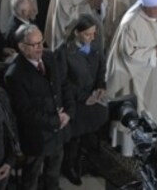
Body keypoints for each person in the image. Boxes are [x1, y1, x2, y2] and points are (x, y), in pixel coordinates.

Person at [106, 0, 157, 154]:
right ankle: (132, 147)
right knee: (138, 110)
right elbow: (128, 54)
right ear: (145, 5)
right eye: (156, 9)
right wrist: (153, 52)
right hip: (135, 74)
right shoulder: (131, 22)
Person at [5, 24, 74, 190]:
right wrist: (54, 120)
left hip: (59, 130)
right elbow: (24, 112)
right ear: (22, 47)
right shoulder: (15, 74)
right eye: (34, 45)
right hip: (37, 137)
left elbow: (63, 85)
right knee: (32, 177)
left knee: (53, 172)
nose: (39, 48)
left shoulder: (49, 57)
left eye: (41, 43)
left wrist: (69, 112)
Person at [56, 14, 109, 185]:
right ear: (77, 33)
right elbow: (62, 83)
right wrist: (82, 97)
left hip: (93, 100)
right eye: (87, 34)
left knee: (92, 136)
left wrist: (101, 86)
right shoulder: (64, 52)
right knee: (74, 139)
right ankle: (69, 166)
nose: (92, 37)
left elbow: (101, 70)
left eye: (94, 33)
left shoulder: (96, 46)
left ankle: (88, 163)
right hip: (75, 103)